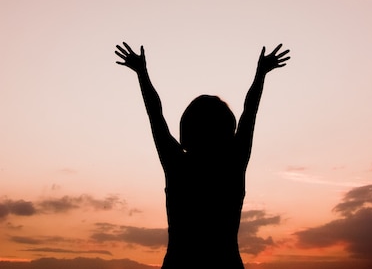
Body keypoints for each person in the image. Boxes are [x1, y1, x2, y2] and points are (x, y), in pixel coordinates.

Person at [115, 41, 290, 269]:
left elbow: (155, 115)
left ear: (186, 129)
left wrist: (142, 73)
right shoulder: (233, 163)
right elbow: (250, 112)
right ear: (228, 129)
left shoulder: (177, 164)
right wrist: (261, 74)